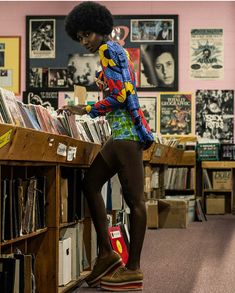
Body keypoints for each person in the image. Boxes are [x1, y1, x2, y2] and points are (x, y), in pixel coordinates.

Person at [58, 1, 154, 291]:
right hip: (120, 135)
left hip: (126, 137)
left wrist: (85, 109)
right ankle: (106, 253)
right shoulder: (112, 50)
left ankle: (133, 268)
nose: (84, 41)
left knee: (136, 200)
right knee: (90, 184)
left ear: (99, 29)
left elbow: (120, 97)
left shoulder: (108, 50)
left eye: (87, 34)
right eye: (79, 37)